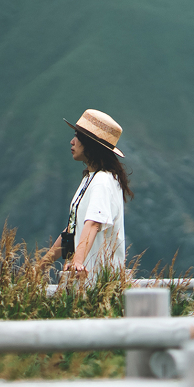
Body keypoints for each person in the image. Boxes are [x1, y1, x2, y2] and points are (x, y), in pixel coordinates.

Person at [62, 109, 132, 278]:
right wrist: (42, 264)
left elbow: (93, 224)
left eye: (77, 137)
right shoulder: (90, 178)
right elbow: (73, 226)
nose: (72, 142)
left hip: (97, 284)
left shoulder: (102, 181)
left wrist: (77, 262)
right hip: (86, 280)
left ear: (90, 144)